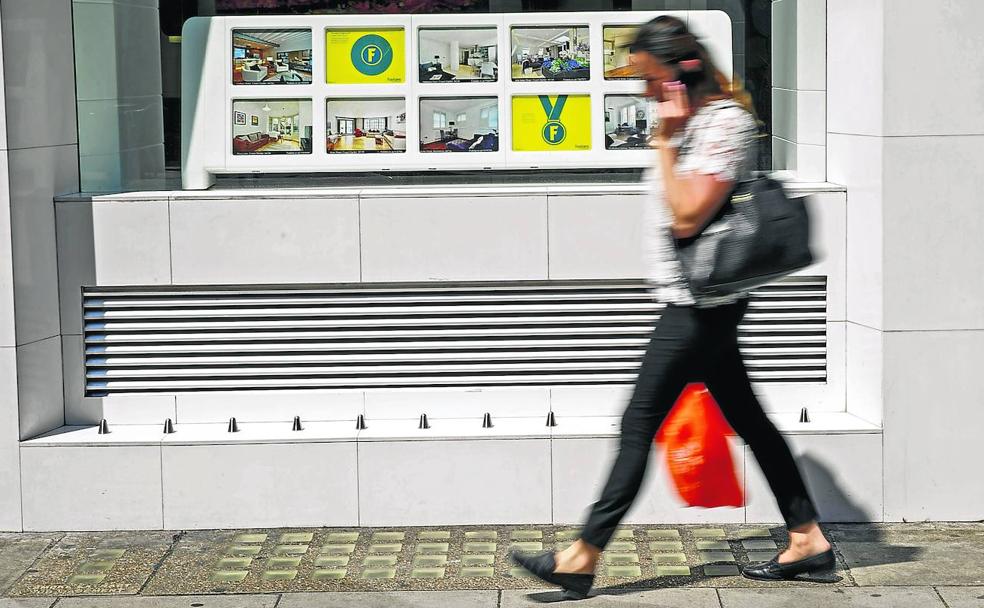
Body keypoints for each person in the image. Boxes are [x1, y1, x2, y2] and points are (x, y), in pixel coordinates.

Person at [510, 15, 834, 599]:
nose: (645, 92)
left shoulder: (723, 126)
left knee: (638, 425)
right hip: (701, 304)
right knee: (750, 421)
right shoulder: (695, 124)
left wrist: (665, 141)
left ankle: (582, 555)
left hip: (698, 308)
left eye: (650, 79)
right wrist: (673, 134)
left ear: (681, 74)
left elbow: (688, 216)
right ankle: (807, 535)